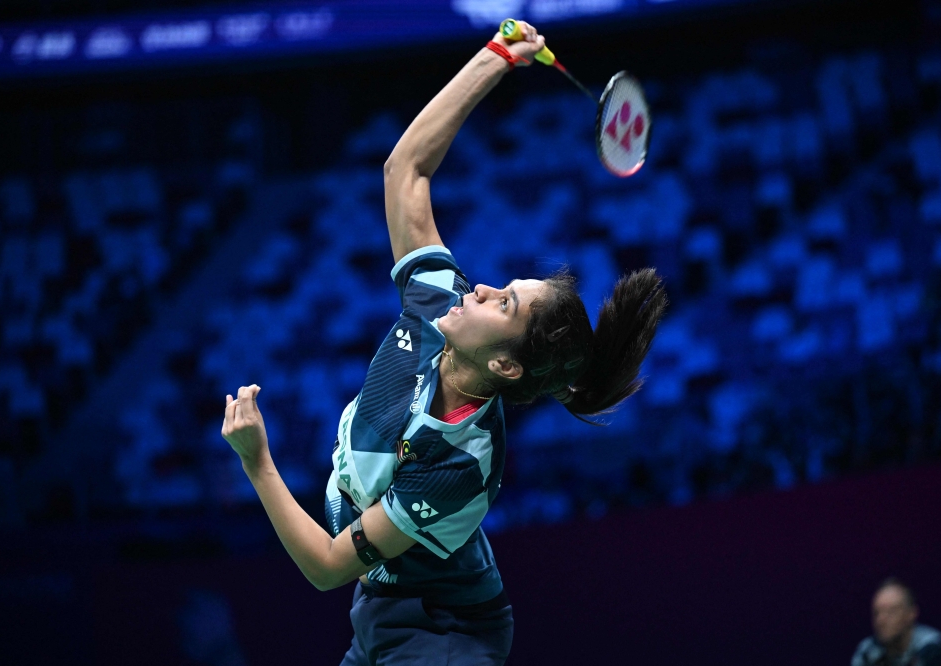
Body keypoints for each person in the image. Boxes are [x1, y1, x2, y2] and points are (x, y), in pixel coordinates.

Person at [220, 20, 667, 666]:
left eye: (503, 302)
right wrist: (493, 59)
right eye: (502, 286)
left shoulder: (460, 461)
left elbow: (324, 566)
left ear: (507, 364)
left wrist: (256, 462)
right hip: (381, 613)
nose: (481, 288)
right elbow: (406, 170)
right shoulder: (438, 305)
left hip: (446, 631)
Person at [852, 578, 941, 666]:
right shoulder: (867, 651)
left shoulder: (932, 648)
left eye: (891, 611)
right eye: (876, 613)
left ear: (912, 613)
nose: (881, 620)